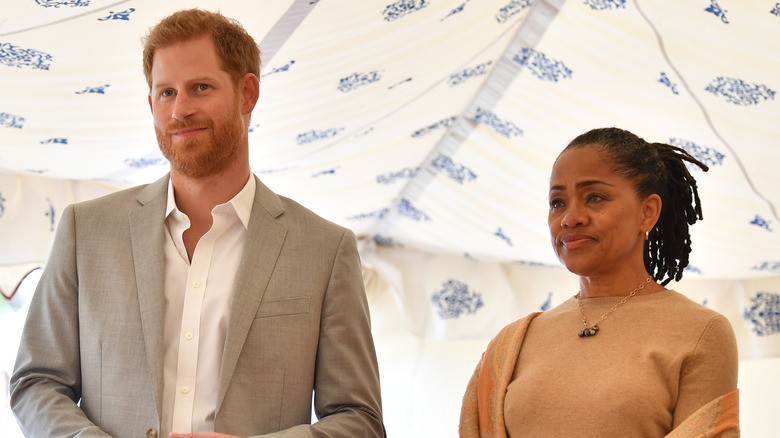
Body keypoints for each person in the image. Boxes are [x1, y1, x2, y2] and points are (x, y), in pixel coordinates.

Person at [10, 9, 385, 438]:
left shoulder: (324, 249)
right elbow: (35, 382)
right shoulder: (85, 231)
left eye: (200, 87)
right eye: (166, 93)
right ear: (151, 104)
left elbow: (360, 420)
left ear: (247, 94)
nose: (180, 110)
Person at [459, 127, 739, 437]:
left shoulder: (700, 332)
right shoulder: (512, 343)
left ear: (647, 213)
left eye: (594, 198)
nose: (570, 218)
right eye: (557, 202)